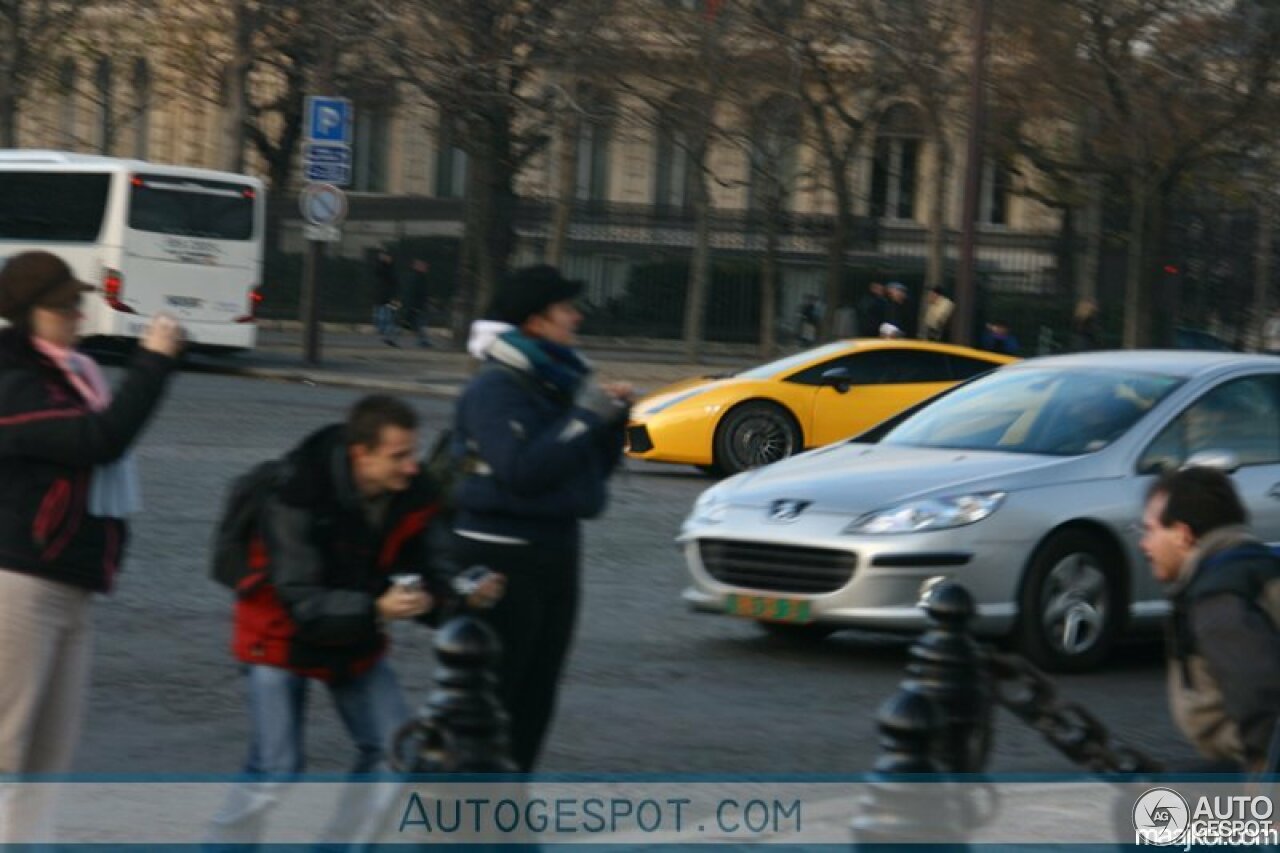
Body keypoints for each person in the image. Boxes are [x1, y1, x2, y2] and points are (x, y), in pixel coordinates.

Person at [209, 394, 503, 844]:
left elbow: (437, 565)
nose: (411, 466)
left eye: (413, 453)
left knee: (394, 753)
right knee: (278, 769)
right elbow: (302, 600)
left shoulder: (413, 493)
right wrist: (377, 609)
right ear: (361, 455)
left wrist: (464, 593)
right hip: (278, 634)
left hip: (356, 633)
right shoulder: (297, 492)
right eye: (399, 456)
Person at [0, 251, 182, 841]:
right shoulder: (14, 381)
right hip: (18, 581)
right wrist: (153, 363)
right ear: (28, 314)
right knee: (8, 748)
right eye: (63, 306)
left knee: (50, 760)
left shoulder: (73, 372)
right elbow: (97, 441)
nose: (78, 313)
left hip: (73, 580)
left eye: (79, 302)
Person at [451, 265, 632, 772]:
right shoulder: (495, 388)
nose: (577, 317)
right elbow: (520, 471)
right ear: (534, 322)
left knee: (537, 694)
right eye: (566, 308)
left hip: (554, 549)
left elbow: (590, 472)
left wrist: (614, 427)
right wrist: (586, 418)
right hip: (499, 554)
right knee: (497, 694)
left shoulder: (559, 380)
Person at [1139, 467, 1280, 772]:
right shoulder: (1258, 566)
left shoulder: (1219, 600)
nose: (1144, 545)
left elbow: (1263, 705)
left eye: (1150, 530)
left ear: (1182, 534)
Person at [402, 258, 433, 348]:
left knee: (418, 324)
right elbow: (417, 292)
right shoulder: (418, 278)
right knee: (420, 324)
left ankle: (423, 340)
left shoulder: (418, 277)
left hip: (418, 304)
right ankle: (423, 341)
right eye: (423, 266)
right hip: (418, 305)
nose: (425, 267)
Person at [372, 250, 400, 347]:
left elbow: (394, 281)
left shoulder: (392, 269)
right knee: (382, 316)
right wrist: (381, 261)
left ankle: (388, 336)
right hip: (383, 296)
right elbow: (378, 271)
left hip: (391, 297)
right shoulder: (382, 268)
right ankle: (385, 334)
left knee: (390, 316)